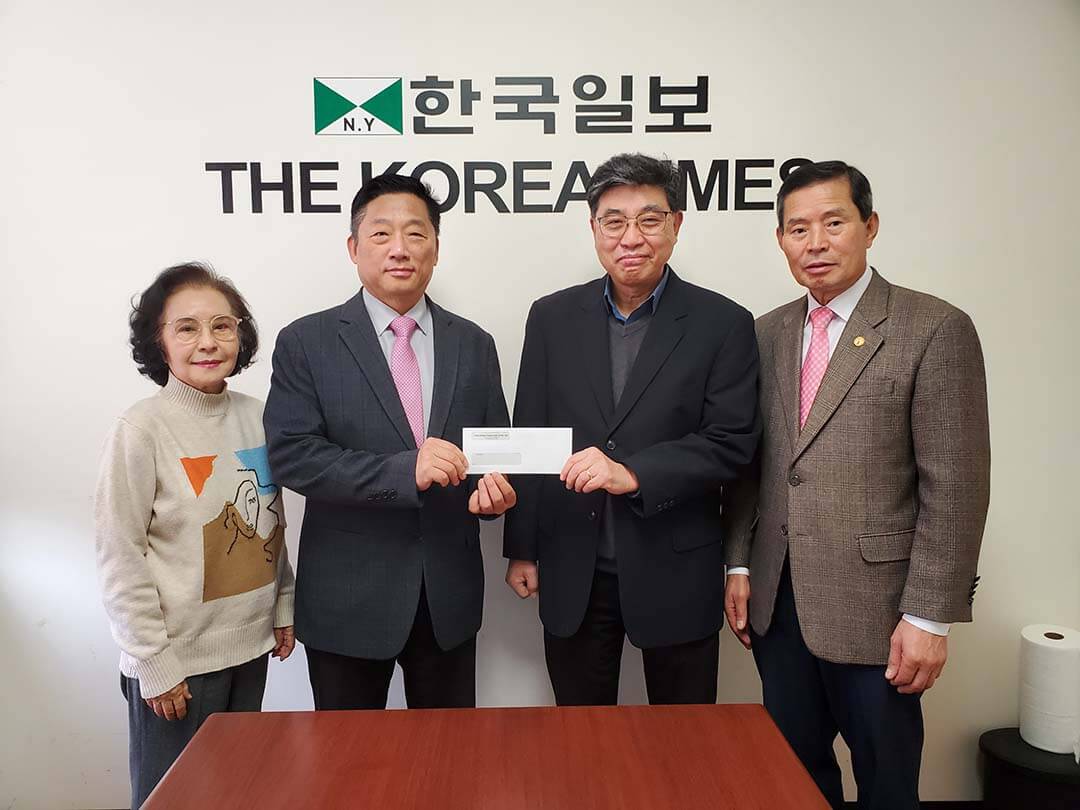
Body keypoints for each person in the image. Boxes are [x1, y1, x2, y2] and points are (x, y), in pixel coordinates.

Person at [722, 161, 990, 810]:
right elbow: (753, 466)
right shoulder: (764, 333)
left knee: (886, 784)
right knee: (794, 776)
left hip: (879, 611)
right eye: (798, 229)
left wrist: (928, 616)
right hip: (778, 604)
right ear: (781, 240)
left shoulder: (933, 327)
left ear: (870, 227)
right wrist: (739, 563)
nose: (815, 243)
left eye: (833, 223)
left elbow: (956, 486)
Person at [503, 152, 761, 706]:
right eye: (614, 221)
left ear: (676, 224)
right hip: (573, 564)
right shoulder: (551, 317)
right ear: (594, 228)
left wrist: (633, 473)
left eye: (649, 219)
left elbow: (732, 443)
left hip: (677, 565)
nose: (631, 237)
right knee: (580, 737)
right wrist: (522, 548)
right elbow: (531, 435)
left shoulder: (724, 323)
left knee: (683, 739)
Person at [264, 174, 514, 711]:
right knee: (347, 758)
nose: (399, 248)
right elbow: (293, 456)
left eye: (415, 233)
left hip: (447, 597)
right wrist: (405, 471)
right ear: (353, 248)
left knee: (448, 754)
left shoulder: (474, 343)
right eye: (381, 234)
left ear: (436, 248)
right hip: (347, 598)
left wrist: (494, 496)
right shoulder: (306, 342)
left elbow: (492, 453)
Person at [94, 263, 295, 809]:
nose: (208, 342)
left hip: (250, 650)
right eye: (186, 328)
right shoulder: (140, 429)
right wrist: (153, 662)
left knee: (238, 796)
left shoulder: (259, 417)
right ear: (158, 341)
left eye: (222, 326)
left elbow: (270, 521)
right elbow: (119, 556)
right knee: (175, 801)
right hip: (177, 666)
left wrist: (283, 603)